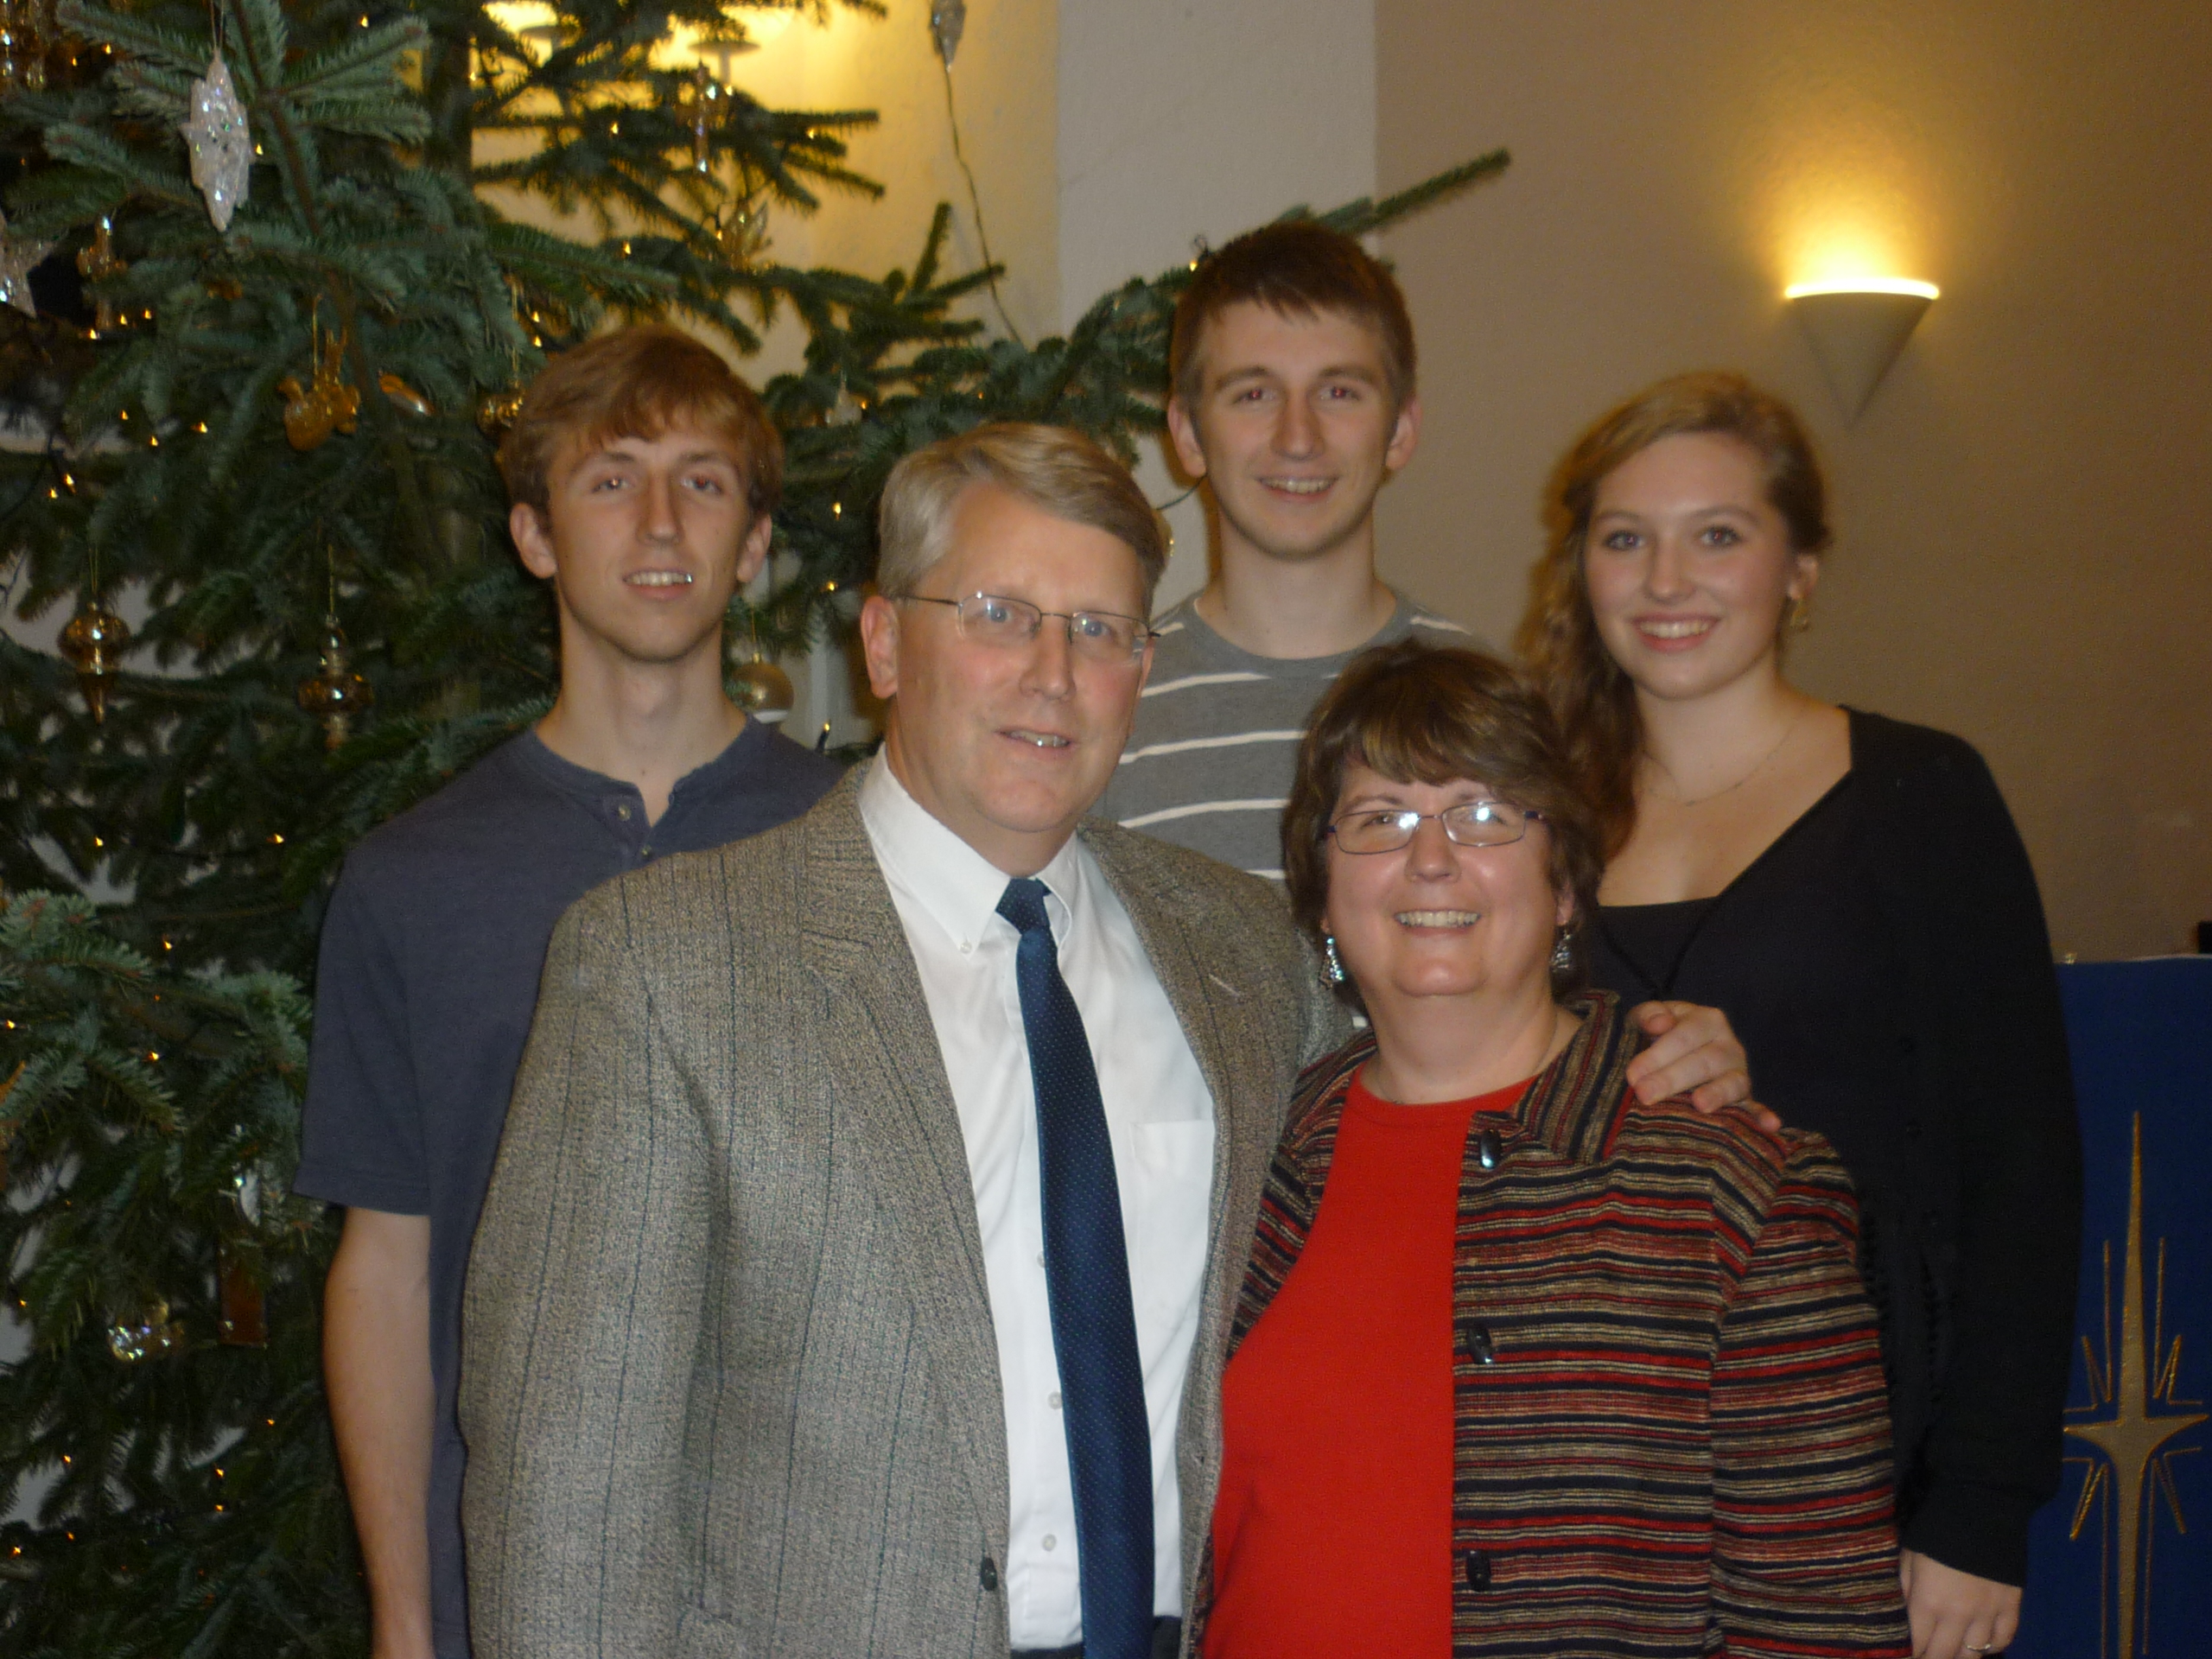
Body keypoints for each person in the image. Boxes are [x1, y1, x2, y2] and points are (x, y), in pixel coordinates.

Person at [457, 423, 1750, 1659]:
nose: (1052, 674)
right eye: (999, 615)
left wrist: (1639, 1056)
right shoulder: (669, 968)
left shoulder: (1242, 951)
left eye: (1098, 630)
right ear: (885, 643)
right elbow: (566, 1496)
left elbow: (1450, 1047)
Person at [295, 327, 841, 1659]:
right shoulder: (413, 881)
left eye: (703, 481)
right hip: (517, 1586)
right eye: (611, 481)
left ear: (754, 542)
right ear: (535, 537)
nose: (660, 522)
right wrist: (407, 1619)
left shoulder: (860, 852)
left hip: (810, 1583)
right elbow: (388, 1271)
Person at [1516, 371, 2081, 1659]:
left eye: (1717, 534)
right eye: (1626, 538)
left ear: (1801, 570)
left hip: (1859, 1457)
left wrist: (1980, 1508)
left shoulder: (1919, 793)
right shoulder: (1530, 819)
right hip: (1589, 1464)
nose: (1666, 580)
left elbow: (2024, 1168)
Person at [1201, 639, 1911, 1659]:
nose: (1430, 857)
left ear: (1567, 885)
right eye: (1379, 818)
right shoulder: (1255, 1151)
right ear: (1319, 894)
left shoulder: (1732, 1189)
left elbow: (1820, 1624)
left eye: (1485, 814)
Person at [1096, 219, 1477, 883]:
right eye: (1254, 395)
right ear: (1188, 434)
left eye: (1338, 392)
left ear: (1400, 429)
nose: (1298, 438)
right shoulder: (1109, 713)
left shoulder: (1489, 707)